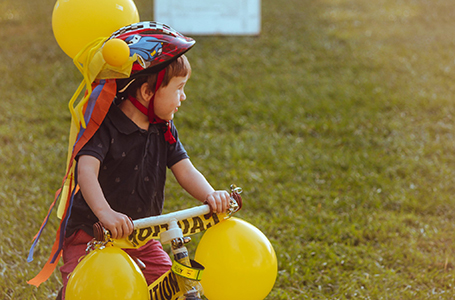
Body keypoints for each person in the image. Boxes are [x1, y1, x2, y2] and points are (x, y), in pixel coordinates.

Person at [56, 22, 232, 299]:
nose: (183, 97)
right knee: (87, 289)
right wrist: (106, 214)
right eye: (179, 88)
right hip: (93, 234)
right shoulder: (105, 125)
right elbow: (86, 170)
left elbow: (185, 169)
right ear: (147, 92)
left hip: (142, 235)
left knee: (171, 288)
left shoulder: (163, 128)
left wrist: (211, 195)